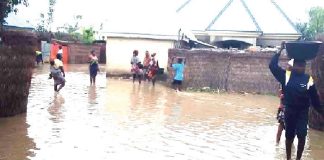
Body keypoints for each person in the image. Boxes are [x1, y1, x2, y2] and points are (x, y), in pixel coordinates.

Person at [269, 42, 324, 160]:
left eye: (303, 65)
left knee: (302, 134)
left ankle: (298, 158)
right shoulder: (286, 76)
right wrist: (280, 50)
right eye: (299, 65)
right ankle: (289, 158)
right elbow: (272, 66)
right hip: (289, 111)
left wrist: (321, 111)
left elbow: (314, 98)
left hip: (303, 112)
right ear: (294, 66)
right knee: (289, 136)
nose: (301, 68)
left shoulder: (308, 79)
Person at [276, 59, 294, 144]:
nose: (288, 68)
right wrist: (281, 104)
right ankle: (277, 142)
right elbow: (280, 93)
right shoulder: (284, 78)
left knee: (289, 126)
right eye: (288, 67)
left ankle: (287, 144)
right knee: (282, 125)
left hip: (290, 105)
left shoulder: (293, 77)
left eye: (290, 67)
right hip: (284, 105)